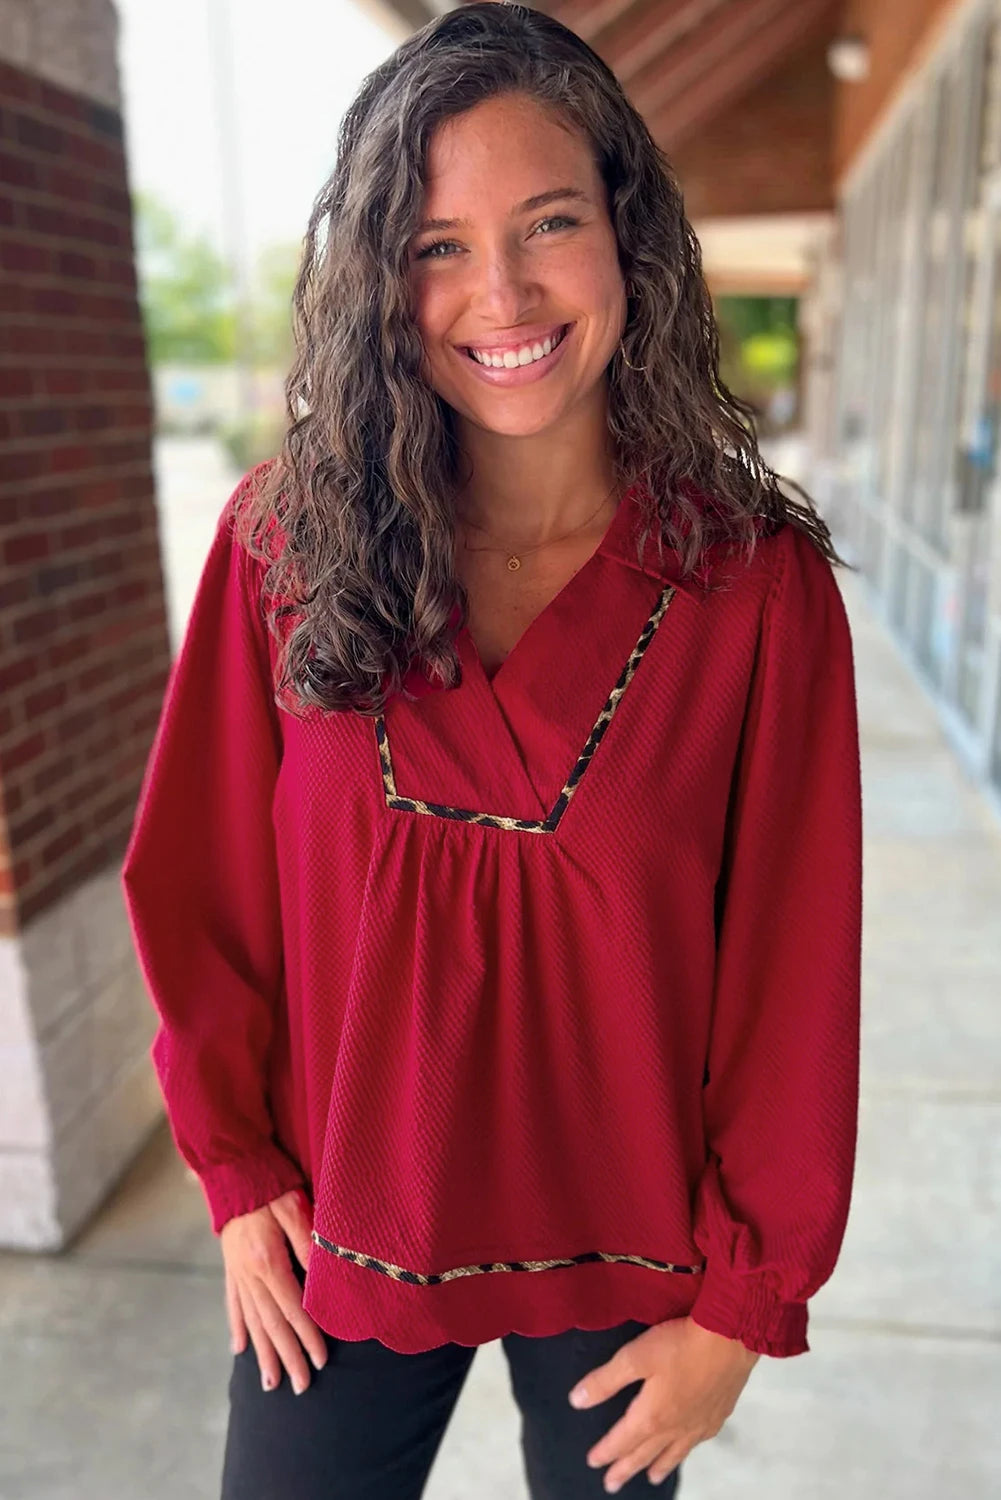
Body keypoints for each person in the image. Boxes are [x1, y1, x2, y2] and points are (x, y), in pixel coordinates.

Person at [120, 4, 864, 1497]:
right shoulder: (282, 548)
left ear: (627, 237)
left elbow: (793, 971)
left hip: (629, 1263)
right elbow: (200, 883)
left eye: (547, 223)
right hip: (342, 1225)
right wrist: (235, 1174)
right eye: (436, 243)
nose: (501, 290)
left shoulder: (749, 585)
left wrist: (740, 1306)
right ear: (378, 277)